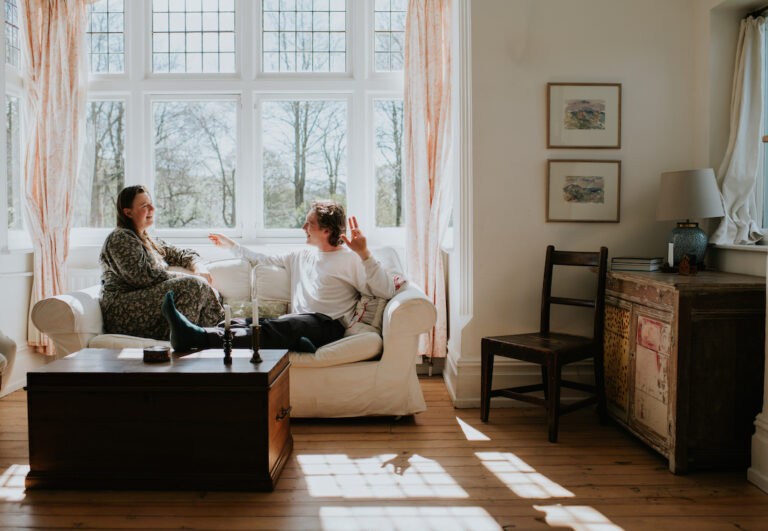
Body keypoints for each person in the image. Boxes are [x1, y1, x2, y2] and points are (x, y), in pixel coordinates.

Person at [162, 199, 405, 353]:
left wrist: (364, 254)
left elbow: (386, 290)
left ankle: (197, 337)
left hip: (327, 326)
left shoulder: (351, 258)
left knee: (275, 327)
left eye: (309, 223)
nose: (303, 228)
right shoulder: (300, 254)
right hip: (299, 322)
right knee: (242, 323)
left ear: (326, 230)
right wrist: (231, 246)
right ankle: (299, 344)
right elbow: (262, 259)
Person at [100, 185, 224, 340]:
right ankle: (186, 340)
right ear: (128, 212)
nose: (152, 208)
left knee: (209, 292)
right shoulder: (120, 238)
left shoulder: (148, 239)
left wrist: (198, 265)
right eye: (145, 206)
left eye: (151, 203)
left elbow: (182, 254)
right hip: (123, 309)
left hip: (147, 305)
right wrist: (184, 277)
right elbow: (142, 276)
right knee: (192, 286)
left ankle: (210, 339)